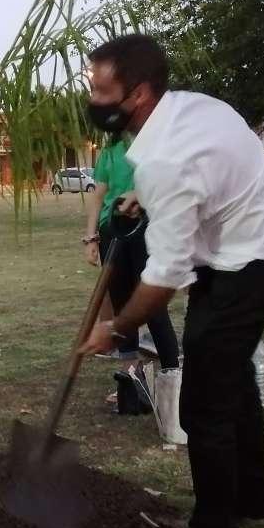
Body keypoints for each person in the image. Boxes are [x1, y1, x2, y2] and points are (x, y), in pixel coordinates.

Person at [78, 34, 264, 528]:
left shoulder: (165, 162)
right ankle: (255, 498)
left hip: (243, 276)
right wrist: (145, 196)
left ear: (139, 93)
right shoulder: (196, 109)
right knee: (233, 382)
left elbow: (162, 281)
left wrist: (115, 328)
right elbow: (205, 178)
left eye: (102, 91)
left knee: (206, 405)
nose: (94, 101)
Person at [82, 134, 180, 383]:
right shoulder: (109, 150)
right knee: (121, 303)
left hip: (146, 227)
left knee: (153, 303)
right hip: (112, 228)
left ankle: (172, 376)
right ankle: (131, 378)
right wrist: (91, 237)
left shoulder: (154, 142)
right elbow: (99, 195)